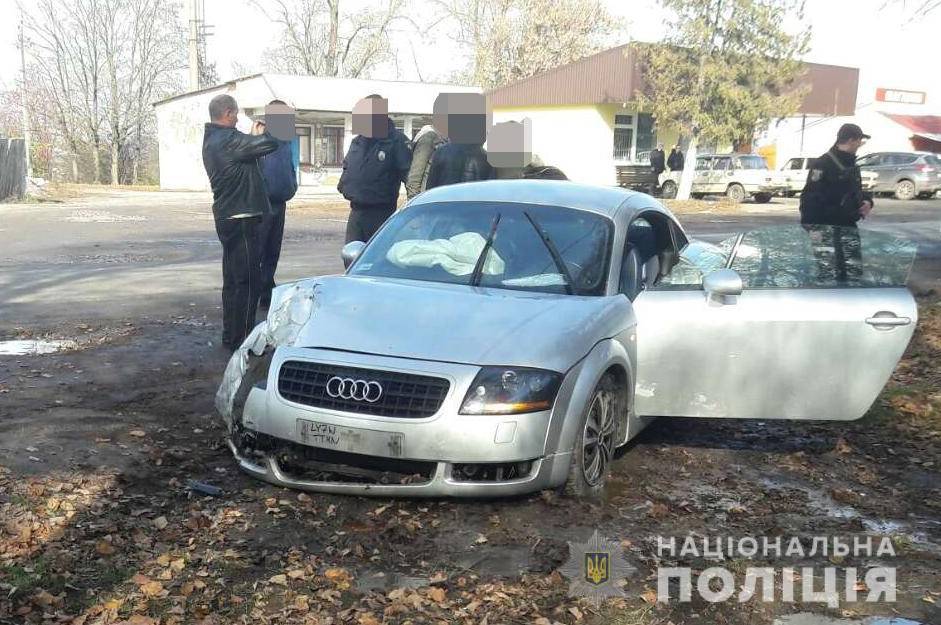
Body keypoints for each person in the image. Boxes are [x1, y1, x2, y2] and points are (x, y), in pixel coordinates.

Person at [202, 94, 279, 350]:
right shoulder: (229, 140)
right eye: (235, 114)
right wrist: (272, 127)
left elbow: (250, 149)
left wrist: (252, 136)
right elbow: (270, 144)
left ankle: (230, 335)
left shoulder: (213, 139)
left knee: (233, 281)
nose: (237, 118)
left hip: (227, 216)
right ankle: (244, 341)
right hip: (242, 217)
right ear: (227, 113)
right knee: (247, 282)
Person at [337, 94, 412, 243]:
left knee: (376, 262)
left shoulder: (396, 141)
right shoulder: (357, 142)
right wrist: (344, 186)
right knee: (352, 259)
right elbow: (348, 167)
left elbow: (410, 178)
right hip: (356, 213)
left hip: (381, 214)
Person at [257, 100, 298, 308]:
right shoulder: (260, 140)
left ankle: (266, 288)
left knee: (273, 248)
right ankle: (257, 290)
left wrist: (292, 186)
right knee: (261, 249)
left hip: (280, 201)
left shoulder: (285, 141)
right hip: (262, 204)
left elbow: (290, 167)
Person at [799, 123, 874, 227]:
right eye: (859, 141)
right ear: (850, 140)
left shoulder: (851, 165)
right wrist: (813, 227)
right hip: (826, 225)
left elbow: (855, 192)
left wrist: (867, 202)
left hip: (848, 225)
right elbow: (810, 199)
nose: (859, 145)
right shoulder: (823, 164)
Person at [426, 93, 493, 189]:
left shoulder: (441, 153)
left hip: (445, 202)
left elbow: (430, 191)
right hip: (473, 203)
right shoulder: (487, 159)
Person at [406, 124, 446, 198]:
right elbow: (415, 176)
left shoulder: (445, 140)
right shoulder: (428, 138)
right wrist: (415, 203)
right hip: (426, 199)